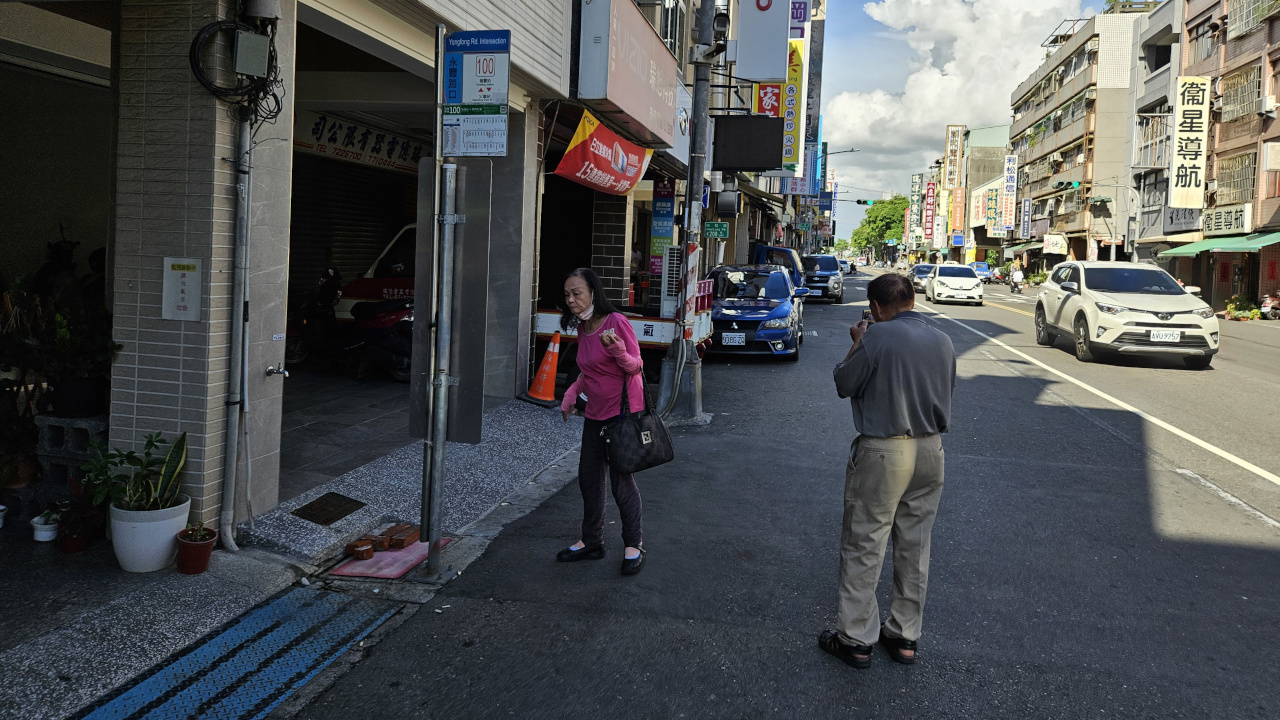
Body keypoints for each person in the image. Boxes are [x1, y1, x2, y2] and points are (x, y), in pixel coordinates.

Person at [819, 273, 957, 670]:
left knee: (865, 542)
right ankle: (904, 635)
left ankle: (857, 639)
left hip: (884, 451)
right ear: (912, 300)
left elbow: (845, 383)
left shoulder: (877, 337)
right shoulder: (944, 341)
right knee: (915, 545)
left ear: (876, 308)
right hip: (931, 449)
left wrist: (857, 343)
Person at [557, 268, 648, 575]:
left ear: (593, 293)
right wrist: (571, 394)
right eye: (567, 294)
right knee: (589, 478)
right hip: (595, 413)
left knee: (621, 481)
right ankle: (592, 540)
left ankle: (633, 544)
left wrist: (618, 350)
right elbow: (589, 371)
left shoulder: (616, 322)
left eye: (577, 293)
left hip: (622, 413)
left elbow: (635, 367)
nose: (570, 299)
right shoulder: (584, 327)